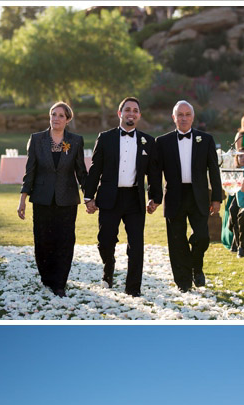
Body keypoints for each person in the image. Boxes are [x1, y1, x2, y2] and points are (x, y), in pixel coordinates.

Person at [83, 96, 158, 298]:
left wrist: (155, 197)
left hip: (135, 198)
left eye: (135, 110)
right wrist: (89, 197)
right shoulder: (105, 138)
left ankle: (133, 288)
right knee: (105, 240)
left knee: (136, 245)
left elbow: (153, 172)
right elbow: (95, 169)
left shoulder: (148, 142)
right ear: (120, 113)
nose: (131, 113)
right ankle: (109, 269)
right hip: (109, 197)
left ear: (139, 115)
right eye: (127, 110)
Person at [147, 100, 223, 292]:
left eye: (187, 114)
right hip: (174, 195)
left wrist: (216, 198)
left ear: (193, 117)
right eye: (179, 114)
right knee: (176, 240)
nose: (183, 118)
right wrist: (154, 198)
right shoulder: (162, 142)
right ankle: (183, 282)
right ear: (174, 118)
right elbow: (155, 173)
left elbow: (214, 170)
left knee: (203, 237)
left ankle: (196, 267)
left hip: (199, 195)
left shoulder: (205, 139)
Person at [17, 101, 88, 297]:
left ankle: (60, 283)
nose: (56, 118)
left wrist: (89, 196)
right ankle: (47, 278)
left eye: (60, 115)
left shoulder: (75, 141)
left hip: (67, 200)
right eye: (53, 114)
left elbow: (81, 172)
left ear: (67, 120)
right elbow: (29, 172)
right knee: (43, 240)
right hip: (42, 199)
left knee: (65, 241)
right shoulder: (37, 139)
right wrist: (22, 199)